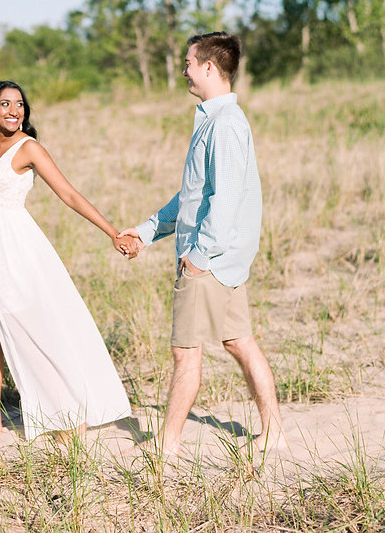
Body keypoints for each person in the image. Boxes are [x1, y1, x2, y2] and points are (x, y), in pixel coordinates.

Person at [118, 32, 287, 457]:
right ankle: (274, 431)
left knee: (185, 354)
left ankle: (168, 444)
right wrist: (146, 232)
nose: (184, 70)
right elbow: (193, 196)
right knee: (239, 343)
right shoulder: (214, 121)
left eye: (189, 62)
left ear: (209, 67)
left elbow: (226, 200)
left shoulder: (226, 124)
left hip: (209, 261)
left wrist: (197, 258)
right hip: (220, 259)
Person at [0, 80, 133, 442]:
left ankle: (67, 414)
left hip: (16, 249)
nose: (14, 111)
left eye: (20, 104)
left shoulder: (29, 148)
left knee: (32, 330)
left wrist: (112, 232)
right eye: (5, 104)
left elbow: (68, 193)